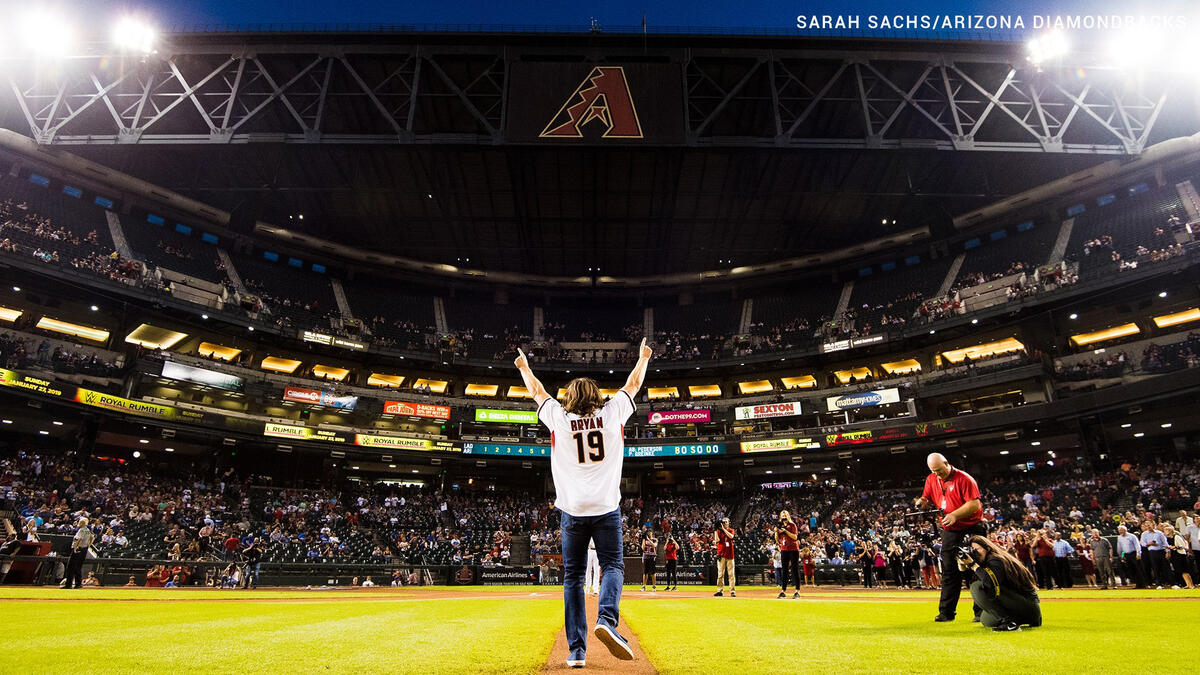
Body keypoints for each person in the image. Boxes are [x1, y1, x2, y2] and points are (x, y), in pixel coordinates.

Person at [517, 340, 650, 668]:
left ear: (570, 398)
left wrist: (524, 368)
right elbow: (633, 384)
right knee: (614, 566)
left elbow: (536, 391)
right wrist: (643, 357)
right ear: (596, 396)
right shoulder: (613, 411)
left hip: (572, 510)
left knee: (573, 577)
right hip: (606, 508)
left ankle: (577, 651)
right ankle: (607, 618)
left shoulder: (558, 419)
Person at [916, 453, 986, 622]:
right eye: (934, 471)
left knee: (977, 568)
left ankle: (981, 611)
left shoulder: (965, 479)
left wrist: (955, 514)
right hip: (950, 528)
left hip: (972, 525)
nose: (937, 474)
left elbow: (974, 504)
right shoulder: (932, 478)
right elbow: (926, 497)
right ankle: (946, 612)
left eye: (939, 470)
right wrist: (921, 502)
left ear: (947, 463)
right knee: (948, 570)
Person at [960, 536, 1042, 632]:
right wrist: (962, 565)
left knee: (976, 587)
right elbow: (972, 578)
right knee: (986, 621)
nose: (975, 552)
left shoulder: (996, 560)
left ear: (988, 548)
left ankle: (1009, 623)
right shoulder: (984, 562)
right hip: (1018, 604)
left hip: (1028, 605)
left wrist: (973, 565)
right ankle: (1017, 619)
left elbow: (990, 583)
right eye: (972, 550)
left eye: (977, 549)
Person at [776, 510, 801, 599]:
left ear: (788, 516)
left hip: (793, 549)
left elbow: (795, 537)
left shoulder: (792, 525)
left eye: (785, 514)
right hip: (784, 549)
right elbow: (777, 539)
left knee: (795, 569)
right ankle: (783, 591)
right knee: (784, 570)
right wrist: (776, 531)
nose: (784, 516)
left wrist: (785, 531)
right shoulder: (780, 526)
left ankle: (797, 591)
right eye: (782, 514)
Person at [64, 516, 93, 590]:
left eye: (80, 522)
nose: (79, 523)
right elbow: (92, 538)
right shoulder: (88, 530)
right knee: (78, 567)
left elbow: (79, 539)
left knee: (71, 567)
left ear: (83, 523)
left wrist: (75, 548)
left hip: (78, 549)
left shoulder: (81, 530)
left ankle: (68, 584)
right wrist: (88, 546)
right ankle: (78, 583)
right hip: (84, 550)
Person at [713, 517, 736, 597]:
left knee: (731, 574)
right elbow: (717, 540)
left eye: (726, 522)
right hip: (721, 554)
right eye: (723, 522)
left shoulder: (731, 530)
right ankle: (720, 590)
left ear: (729, 523)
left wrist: (723, 529)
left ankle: (732, 591)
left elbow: (731, 537)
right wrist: (715, 530)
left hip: (730, 554)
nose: (725, 523)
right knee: (720, 574)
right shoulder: (719, 531)